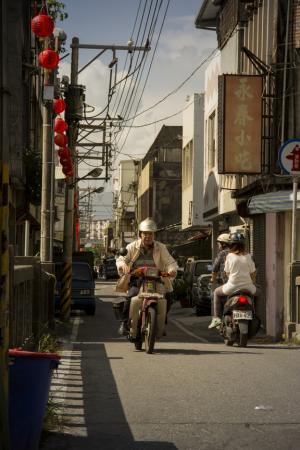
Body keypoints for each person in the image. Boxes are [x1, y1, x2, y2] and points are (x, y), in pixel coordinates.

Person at [116, 217, 178, 336]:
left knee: (168, 297)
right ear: (140, 234)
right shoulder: (132, 246)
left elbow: (170, 262)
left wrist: (172, 270)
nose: (148, 236)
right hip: (137, 279)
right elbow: (121, 259)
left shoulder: (161, 247)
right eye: (145, 234)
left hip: (156, 279)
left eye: (150, 234)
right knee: (131, 296)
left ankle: (161, 322)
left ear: (154, 235)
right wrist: (123, 265)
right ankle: (124, 323)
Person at [208, 232, 257, 329]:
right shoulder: (248, 256)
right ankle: (257, 316)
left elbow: (225, 272)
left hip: (231, 286)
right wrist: (252, 282)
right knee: (259, 293)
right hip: (248, 287)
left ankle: (216, 318)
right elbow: (253, 273)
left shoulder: (228, 256)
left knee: (216, 293)